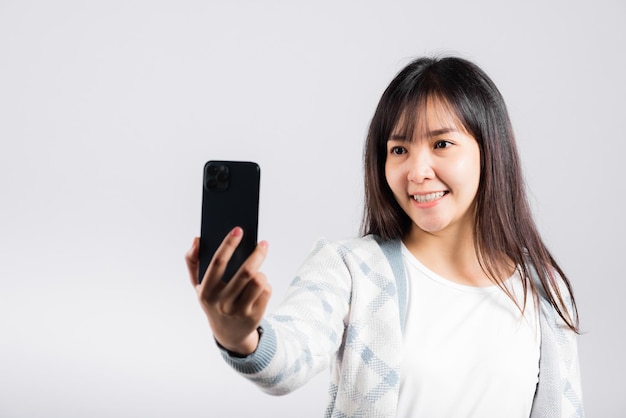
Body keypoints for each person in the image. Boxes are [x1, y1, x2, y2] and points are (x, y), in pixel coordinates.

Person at [185, 56, 584, 417]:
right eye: (399, 150)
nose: (416, 171)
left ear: (490, 151)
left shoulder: (545, 291)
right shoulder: (350, 268)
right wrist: (239, 337)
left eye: (442, 144)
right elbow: (288, 360)